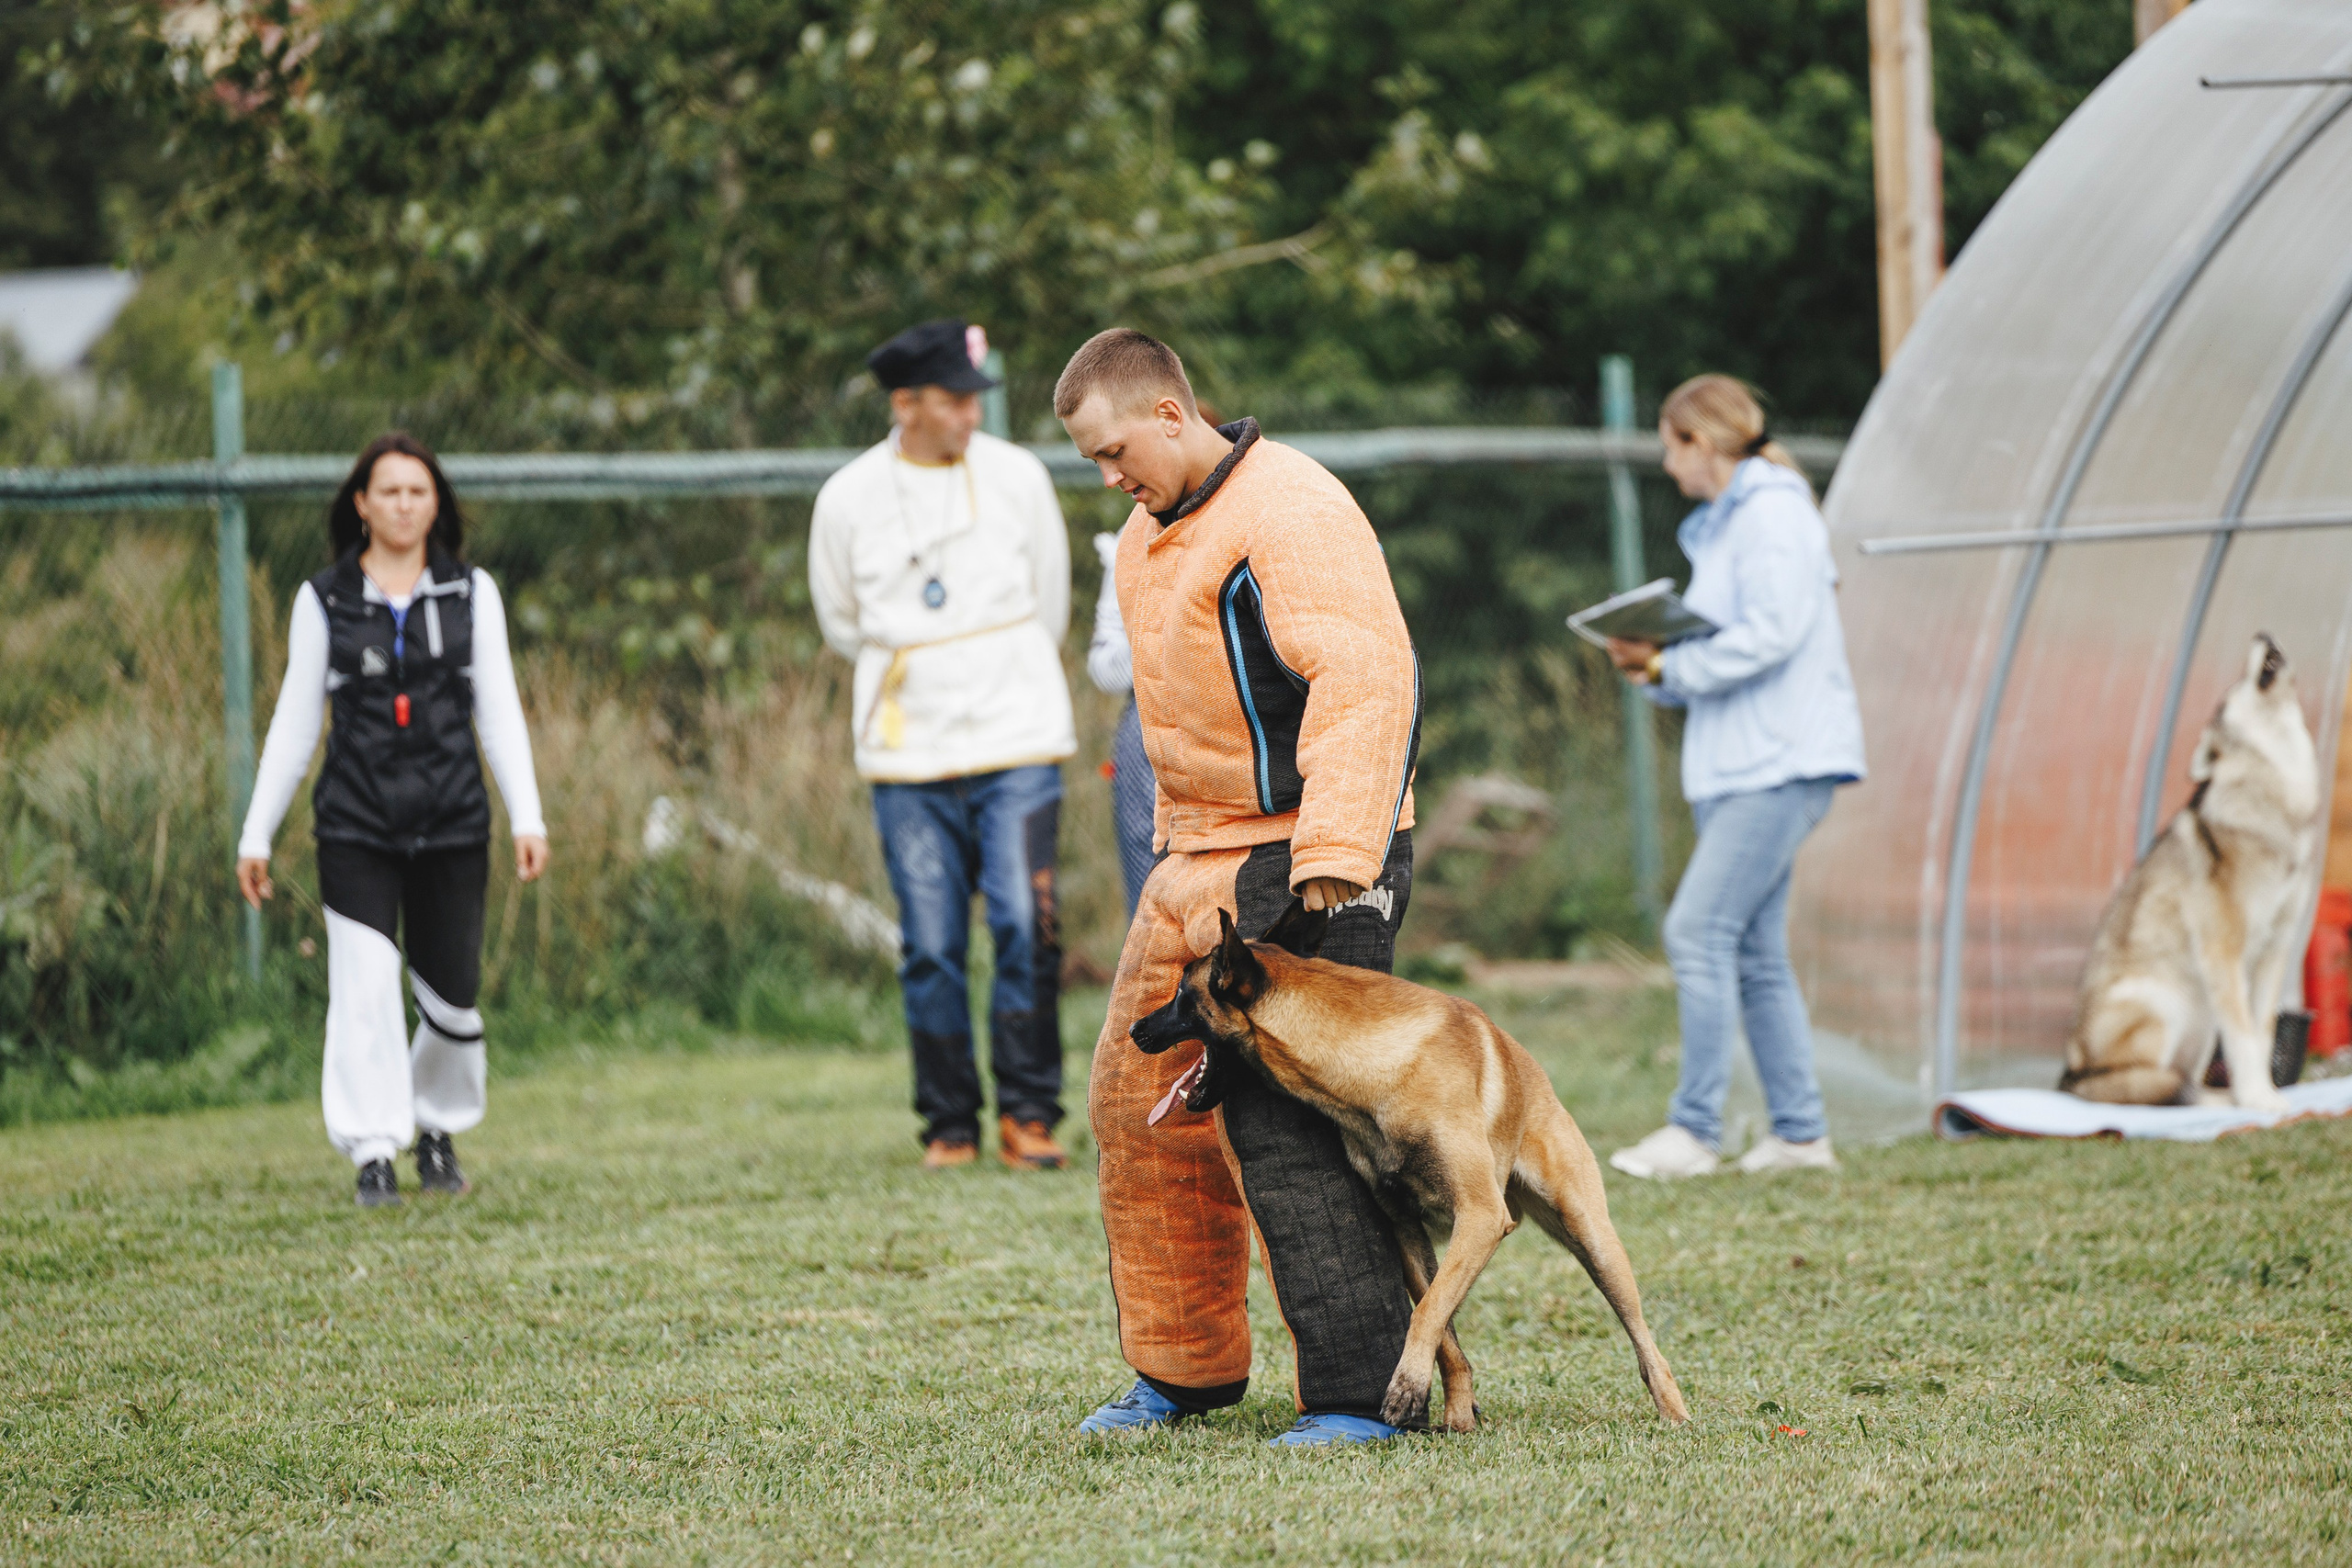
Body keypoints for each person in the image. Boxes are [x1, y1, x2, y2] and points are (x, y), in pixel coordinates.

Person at [1057, 329, 1424, 1449]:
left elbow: (1367, 676)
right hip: (1195, 859)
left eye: (1114, 451)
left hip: (1307, 854)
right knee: (1139, 1106)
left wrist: (1335, 858)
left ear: (1171, 413)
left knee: (1288, 1126)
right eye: (1091, 462)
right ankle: (1184, 1370)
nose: (1109, 477)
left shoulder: (1292, 508)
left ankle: (1365, 1395)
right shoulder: (1143, 537)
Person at [237, 434, 548, 1208]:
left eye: (418, 491)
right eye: (390, 491)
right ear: (362, 504)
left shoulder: (470, 591)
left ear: (436, 504)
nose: (404, 504)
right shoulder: (326, 598)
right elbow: (294, 724)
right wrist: (256, 832)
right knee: (365, 985)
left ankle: (437, 1131)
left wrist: (528, 816)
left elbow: (499, 710)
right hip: (357, 823)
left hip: (453, 819)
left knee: (452, 995)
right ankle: (374, 1149)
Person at [809, 319, 1077, 1172]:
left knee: (1025, 923)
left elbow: (1051, 598)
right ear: (907, 404)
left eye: (973, 400)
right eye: (955, 400)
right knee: (930, 941)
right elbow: (841, 619)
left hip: (1018, 736)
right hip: (909, 752)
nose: (970, 414)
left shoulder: (1018, 477)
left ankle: (1029, 1114)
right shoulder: (847, 496)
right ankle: (949, 1122)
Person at [1601, 375, 1867, 1180]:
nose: (1667, 463)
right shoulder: (1724, 524)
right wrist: (1652, 667)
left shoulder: (1773, 512)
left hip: (1780, 759)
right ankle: (1800, 1136)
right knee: (1753, 950)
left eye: (1671, 445)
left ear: (1703, 440)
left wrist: (1671, 663)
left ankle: (1695, 1130)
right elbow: (1724, 647)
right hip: (1736, 762)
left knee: (1698, 931)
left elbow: (1772, 634)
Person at [1085, 529, 1158, 921]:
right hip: (1145, 718)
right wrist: (1163, 639)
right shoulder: (1130, 540)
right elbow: (1103, 666)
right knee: (1149, 892)